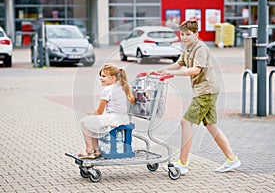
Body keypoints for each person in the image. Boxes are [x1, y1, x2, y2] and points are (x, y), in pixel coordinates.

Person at [154, 20, 241, 174]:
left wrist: (172, 74)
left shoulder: (200, 48)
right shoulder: (187, 48)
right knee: (211, 125)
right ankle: (232, 159)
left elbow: (196, 70)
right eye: (182, 34)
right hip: (206, 90)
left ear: (196, 34)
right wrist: (161, 70)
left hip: (206, 91)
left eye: (188, 34)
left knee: (185, 122)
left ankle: (182, 163)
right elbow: (178, 64)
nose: (185, 37)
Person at [78, 63, 135, 159]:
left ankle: (90, 150)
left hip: (114, 119)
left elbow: (99, 112)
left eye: (104, 76)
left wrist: (91, 114)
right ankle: (96, 150)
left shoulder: (107, 90)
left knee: (84, 123)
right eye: (100, 76)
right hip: (123, 118)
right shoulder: (123, 87)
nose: (101, 78)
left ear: (113, 78)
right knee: (93, 122)